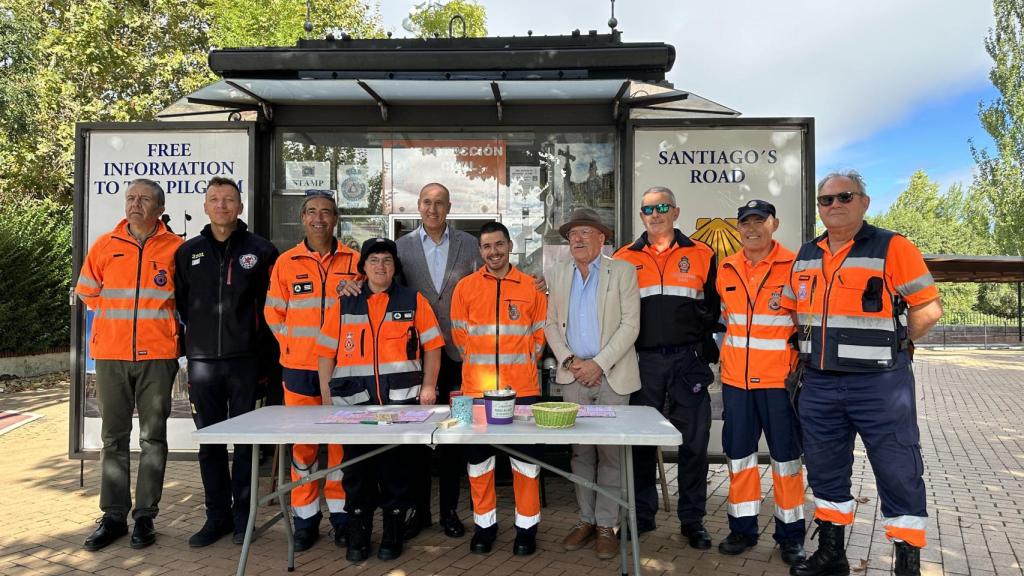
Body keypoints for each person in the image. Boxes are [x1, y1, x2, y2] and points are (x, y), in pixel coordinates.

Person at [782, 171, 942, 576]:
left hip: (879, 385)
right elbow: (792, 310)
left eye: (844, 197)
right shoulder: (806, 254)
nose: (834, 205)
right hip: (818, 382)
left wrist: (898, 347)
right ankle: (831, 554)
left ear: (864, 202)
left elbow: (927, 309)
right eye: (825, 200)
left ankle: (907, 563)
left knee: (898, 468)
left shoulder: (893, 246)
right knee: (824, 468)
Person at [315, 237, 443, 562]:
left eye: (387, 260)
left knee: (396, 474)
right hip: (354, 408)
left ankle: (392, 536)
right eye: (374, 261)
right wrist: (328, 398)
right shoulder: (345, 303)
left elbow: (433, 346)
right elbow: (325, 354)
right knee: (357, 475)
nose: (380, 266)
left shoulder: (413, 300)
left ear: (395, 266)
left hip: (400, 407)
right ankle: (358, 537)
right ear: (363, 267)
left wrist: (428, 387)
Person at [75, 179, 183, 551]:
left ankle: (146, 518)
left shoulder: (176, 249)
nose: (135, 204)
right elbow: (87, 291)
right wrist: (118, 325)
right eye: (130, 198)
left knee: (153, 438)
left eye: (144, 199)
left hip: (158, 356)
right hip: (111, 356)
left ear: (159, 207)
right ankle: (113, 517)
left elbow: (184, 300)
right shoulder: (106, 245)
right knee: (113, 438)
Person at [613, 186, 721, 548]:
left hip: (687, 362)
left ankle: (693, 520)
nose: (654, 214)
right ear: (641, 215)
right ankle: (642, 516)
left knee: (694, 444)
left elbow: (714, 309)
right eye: (647, 209)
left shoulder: (703, 254)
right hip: (643, 363)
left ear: (676, 212)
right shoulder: (623, 257)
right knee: (641, 443)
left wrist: (701, 351)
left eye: (662, 207)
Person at [174, 176, 279, 547]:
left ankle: (243, 518)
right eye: (214, 199)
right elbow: (183, 305)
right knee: (211, 445)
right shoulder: (188, 253)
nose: (222, 205)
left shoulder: (262, 251)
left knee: (247, 444)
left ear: (240, 206)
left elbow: (273, 308)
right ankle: (215, 517)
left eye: (229, 199)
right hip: (203, 363)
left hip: (248, 363)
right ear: (205, 206)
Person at [264, 190, 362, 552]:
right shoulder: (287, 262)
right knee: (303, 447)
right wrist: (290, 344)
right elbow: (273, 312)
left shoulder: (355, 260)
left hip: (344, 369)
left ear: (336, 219)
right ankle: (305, 518)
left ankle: (340, 514)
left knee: (340, 446)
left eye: (326, 212)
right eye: (312, 212)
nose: (319, 218)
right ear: (302, 218)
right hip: (299, 368)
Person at [544, 208, 641, 560]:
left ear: (602, 238)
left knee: (610, 453)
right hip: (573, 375)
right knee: (581, 451)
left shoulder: (624, 271)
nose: (578, 239)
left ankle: (607, 525)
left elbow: (631, 325)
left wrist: (598, 364)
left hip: (612, 376)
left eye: (586, 232)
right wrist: (571, 361)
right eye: (572, 235)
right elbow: (550, 324)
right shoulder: (557, 273)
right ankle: (585, 519)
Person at [449, 221, 548, 556]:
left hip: (523, 389)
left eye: (499, 245)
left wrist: (518, 364)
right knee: (478, 465)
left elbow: (539, 338)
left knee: (527, 465)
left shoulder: (531, 287)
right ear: (480, 251)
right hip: (474, 392)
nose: (494, 252)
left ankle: (527, 529)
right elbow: (460, 339)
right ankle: (485, 526)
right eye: (487, 246)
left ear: (510, 246)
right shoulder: (465, 288)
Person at [716, 199, 806, 564]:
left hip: (779, 382)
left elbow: (805, 322)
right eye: (745, 223)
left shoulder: (795, 266)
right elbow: (723, 322)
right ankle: (742, 529)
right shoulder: (725, 268)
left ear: (774, 223)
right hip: (737, 383)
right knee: (739, 459)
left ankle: (791, 537)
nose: (751, 229)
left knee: (786, 461)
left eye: (759, 221)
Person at [396, 182, 481, 540]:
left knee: (455, 434)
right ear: (418, 206)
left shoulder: (470, 245)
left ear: (449, 207)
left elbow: (486, 282)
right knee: (417, 435)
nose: (433, 209)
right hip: (417, 361)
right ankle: (420, 511)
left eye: (440, 203)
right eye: (427, 203)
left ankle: (449, 512)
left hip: (461, 359)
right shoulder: (401, 248)